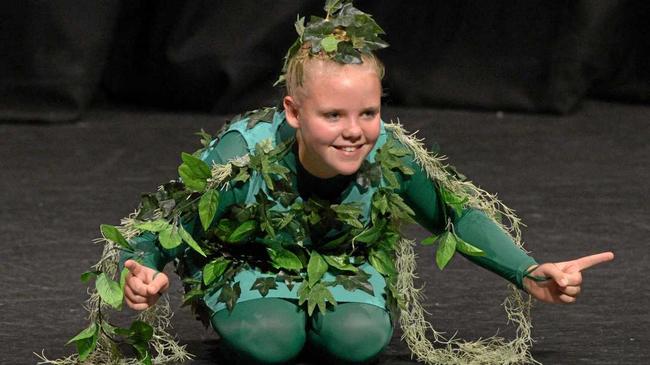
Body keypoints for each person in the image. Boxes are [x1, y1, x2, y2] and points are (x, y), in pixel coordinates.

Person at [57, 2, 614, 365]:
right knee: (274, 341)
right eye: (333, 117)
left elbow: (454, 213)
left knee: (356, 341)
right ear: (294, 112)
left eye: (368, 113)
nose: (355, 133)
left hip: (345, 261)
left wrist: (528, 271)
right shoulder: (244, 154)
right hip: (251, 263)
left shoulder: (390, 152)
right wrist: (140, 270)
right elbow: (162, 222)